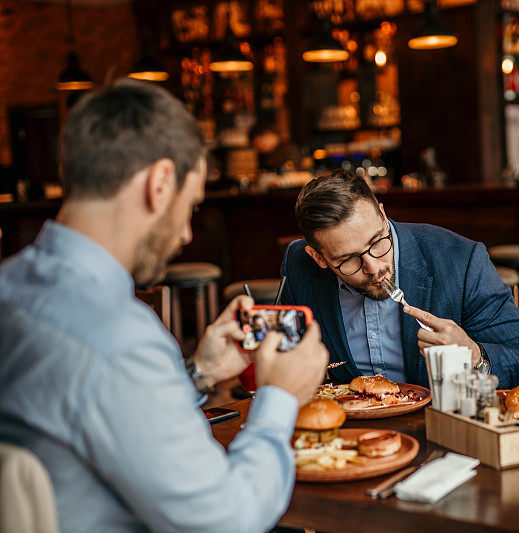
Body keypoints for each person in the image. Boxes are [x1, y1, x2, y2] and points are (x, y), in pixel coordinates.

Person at [0, 80, 329, 532]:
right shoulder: (120, 336)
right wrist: (279, 397)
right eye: (190, 206)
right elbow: (230, 520)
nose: (187, 234)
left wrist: (200, 374)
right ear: (159, 184)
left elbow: (92, 415)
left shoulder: (10, 284)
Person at [280, 170, 519, 389]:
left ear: (383, 216)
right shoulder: (298, 264)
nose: (373, 267)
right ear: (319, 258)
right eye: (348, 259)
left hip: (440, 428)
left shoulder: (459, 259)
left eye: (377, 242)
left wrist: (475, 356)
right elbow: (284, 357)